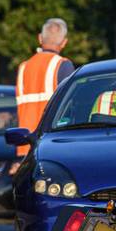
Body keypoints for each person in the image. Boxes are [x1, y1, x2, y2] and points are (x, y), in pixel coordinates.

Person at [14, 18, 75, 155]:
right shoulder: (63, 65)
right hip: (52, 144)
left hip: (25, 145)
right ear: (64, 42)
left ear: (40, 38)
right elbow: (70, 107)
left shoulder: (23, 67)